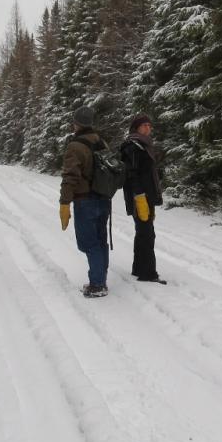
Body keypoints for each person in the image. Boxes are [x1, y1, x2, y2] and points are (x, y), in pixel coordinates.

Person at [59, 106, 112, 298]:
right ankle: (101, 279)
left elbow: (70, 177)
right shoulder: (102, 142)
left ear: (76, 123)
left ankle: (97, 285)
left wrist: (64, 203)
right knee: (100, 241)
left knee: (89, 244)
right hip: (103, 199)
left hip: (85, 201)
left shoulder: (75, 146)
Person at [120, 114, 166, 284]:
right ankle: (148, 273)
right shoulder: (132, 146)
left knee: (143, 232)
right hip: (139, 197)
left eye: (149, 125)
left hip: (146, 196)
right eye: (144, 125)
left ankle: (139, 268)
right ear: (136, 128)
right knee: (147, 234)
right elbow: (132, 175)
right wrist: (139, 197)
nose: (148, 128)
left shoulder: (144, 145)